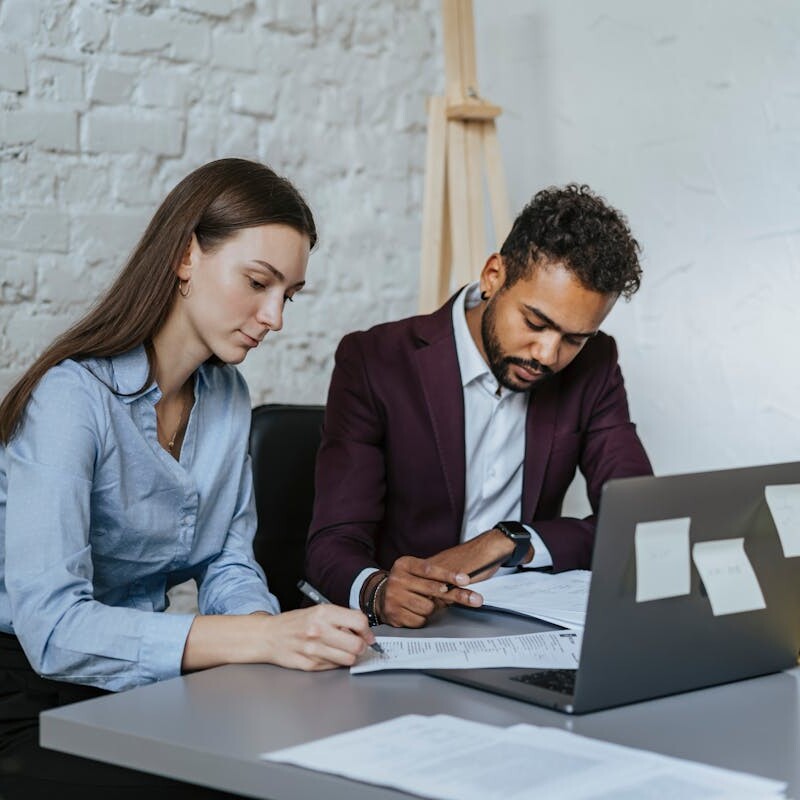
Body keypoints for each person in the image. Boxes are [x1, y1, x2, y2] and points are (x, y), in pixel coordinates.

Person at [0, 158, 373, 799]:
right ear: (185, 256)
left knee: (313, 766)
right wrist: (260, 636)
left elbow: (228, 561)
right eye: (258, 281)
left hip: (136, 687)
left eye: (289, 294)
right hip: (27, 693)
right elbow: (55, 631)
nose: (275, 317)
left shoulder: (227, 396)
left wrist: (280, 645)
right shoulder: (70, 399)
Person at [305, 184, 653, 628]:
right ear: (493, 275)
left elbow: (638, 519)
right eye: (535, 322)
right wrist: (377, 590)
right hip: (404, 630)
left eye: (574, 339)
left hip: (523, 622)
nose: (548, 355)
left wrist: (512, 541)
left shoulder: (595, 365)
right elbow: (331, 542)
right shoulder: (377, 360)